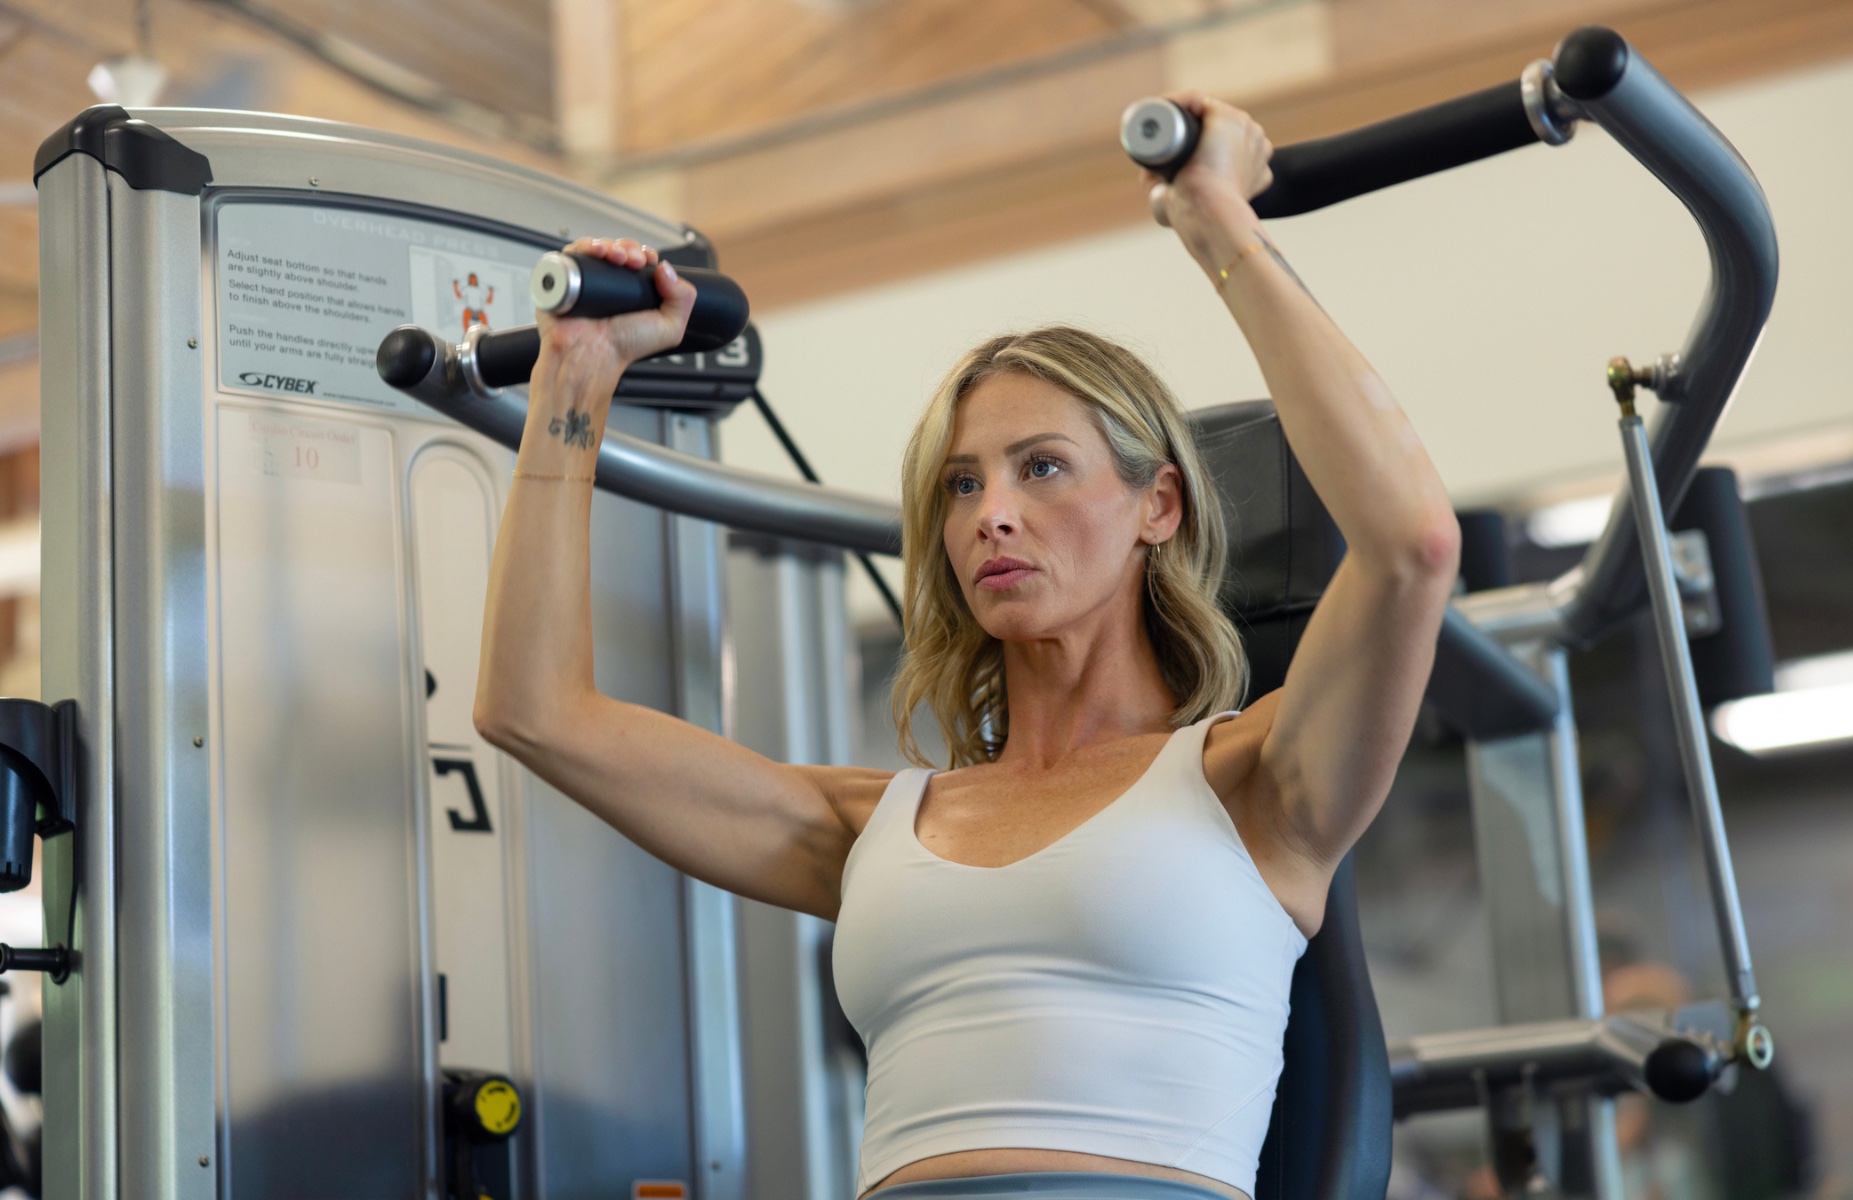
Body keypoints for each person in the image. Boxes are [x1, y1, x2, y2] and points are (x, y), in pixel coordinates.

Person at [475, 92, 1459, 1200]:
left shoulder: (1259, 783)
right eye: (960, 484)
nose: (992, 513)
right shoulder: (868, 828)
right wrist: (577, 374)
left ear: (1159, 505)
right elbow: (532, 710)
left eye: (1042, 468)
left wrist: (1217, 223)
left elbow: (1413, 545)